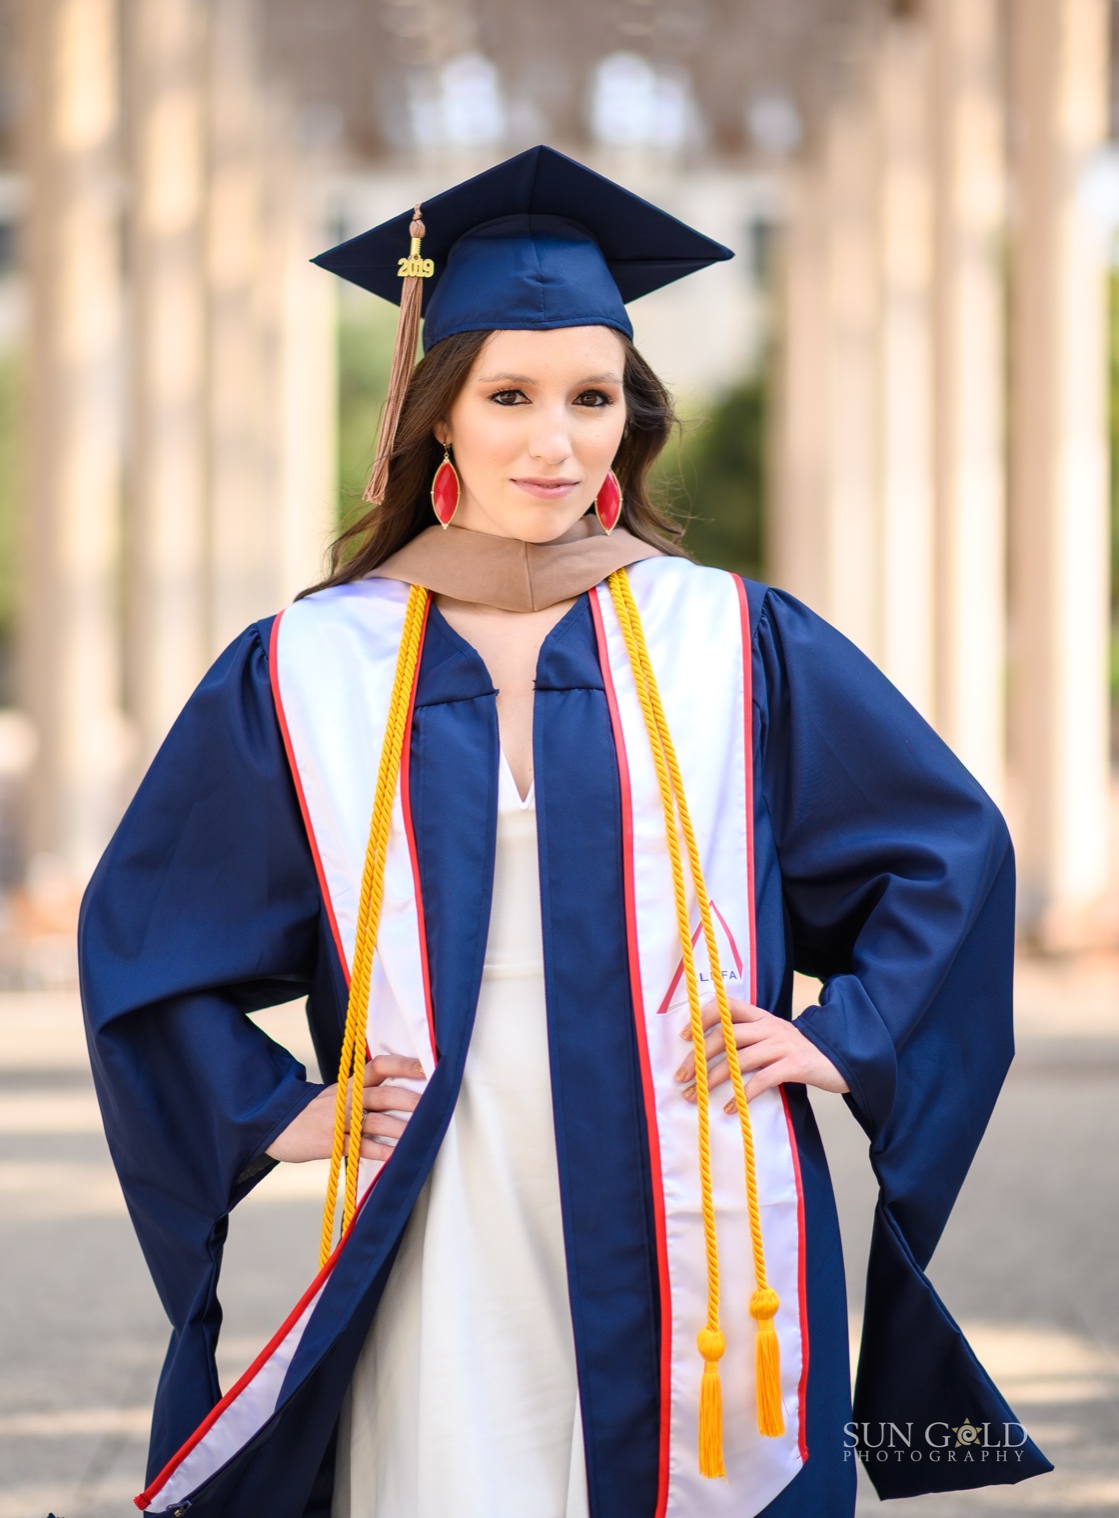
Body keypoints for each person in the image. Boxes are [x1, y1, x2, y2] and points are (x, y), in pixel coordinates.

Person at [80, 146, 1050, 1518]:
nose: (556, 441)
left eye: (593, 397)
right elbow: (148, 925)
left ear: (630, 416)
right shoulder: (314, 663)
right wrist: (270, 1110)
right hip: (445, 1167)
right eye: (512, 396)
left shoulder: (728, 636)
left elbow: (947, 851)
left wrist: (850, 1031)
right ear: (440, 418)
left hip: (695, 1155)